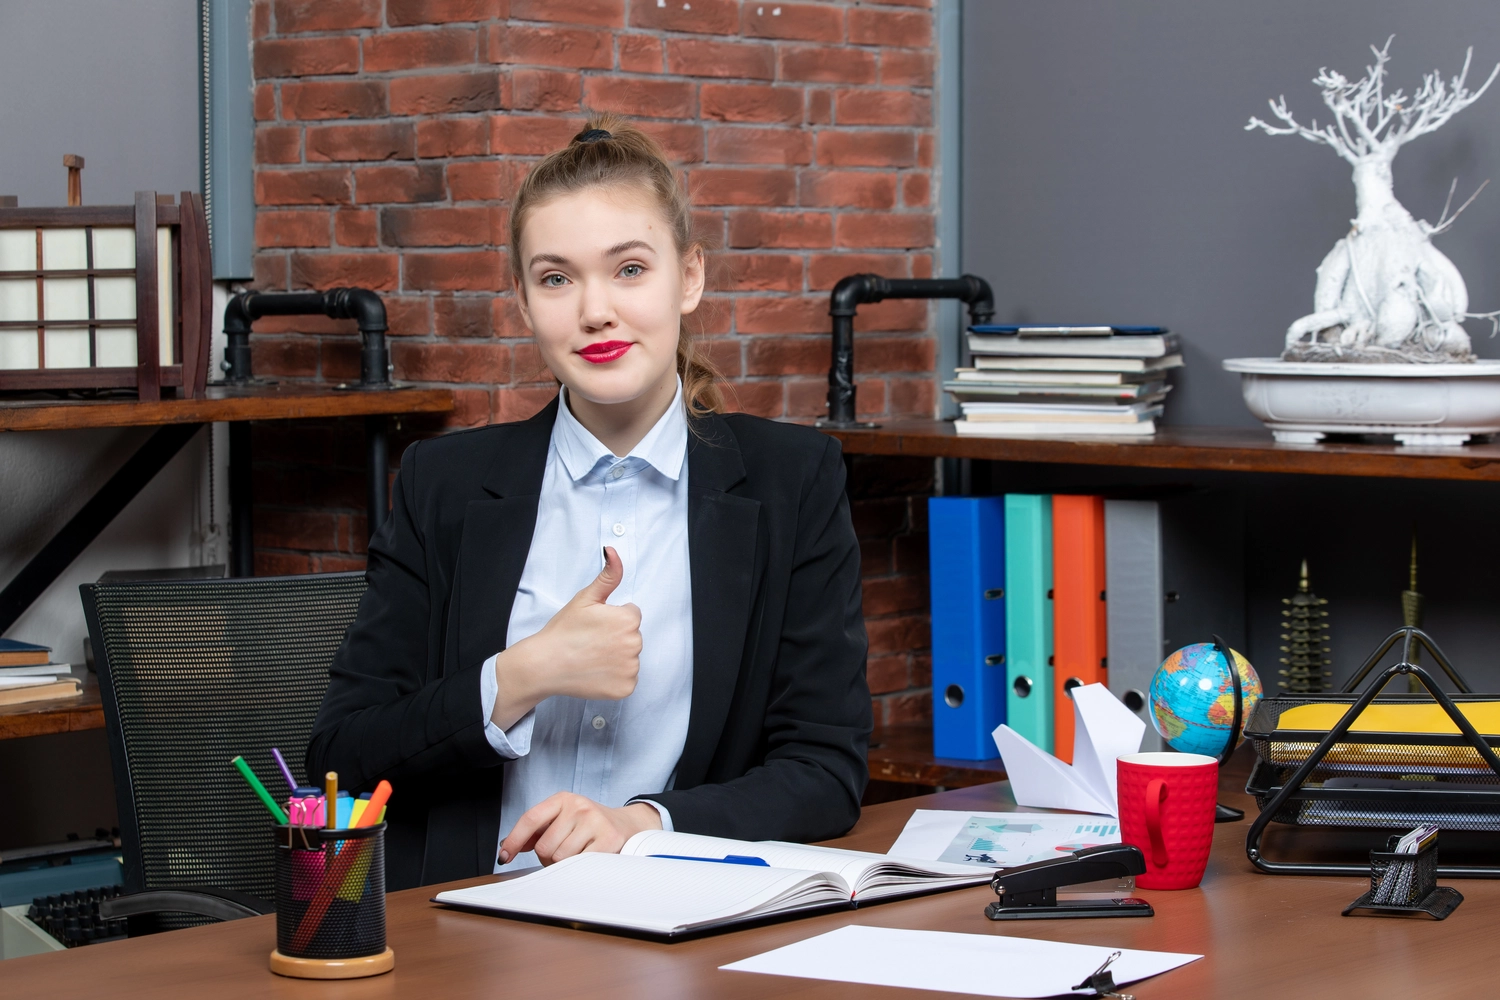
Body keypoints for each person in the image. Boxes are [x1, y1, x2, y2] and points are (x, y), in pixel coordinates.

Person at [307, 114, 871, 889]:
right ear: (524, 301)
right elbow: (341, 756)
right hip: (472, 928)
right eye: (557, 278)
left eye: (630, 269)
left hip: (680, 916)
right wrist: (521, 675)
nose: (594, 310)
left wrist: (644, 826)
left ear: (691, 277)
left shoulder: (793, 480)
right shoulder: (445, 484)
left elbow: (825, 768)